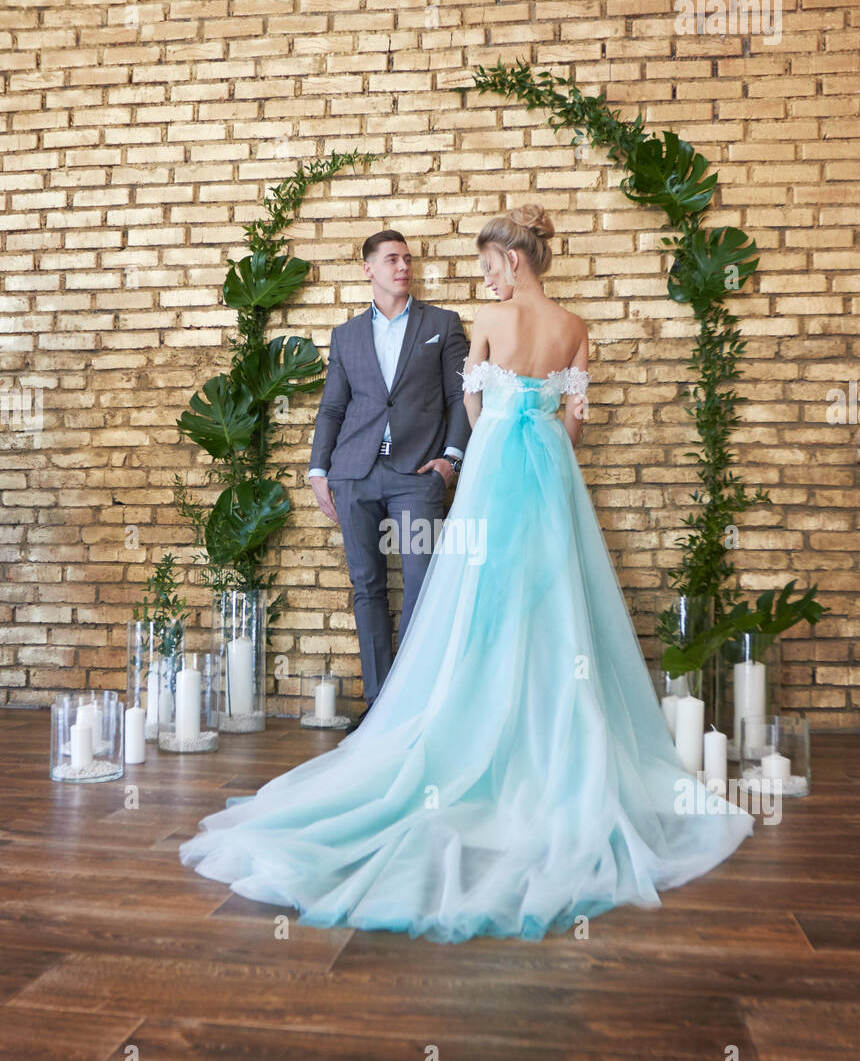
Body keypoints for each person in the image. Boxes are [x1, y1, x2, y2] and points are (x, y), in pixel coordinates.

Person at [179, 204, 754, 944]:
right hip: (551, 470)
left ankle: (468, 720)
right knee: (557, 601)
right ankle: (552, 734)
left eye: (488, 264)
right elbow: (575, 426)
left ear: (511, 262)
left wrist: (500, 427)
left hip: (493, 472)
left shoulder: (488, 320)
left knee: (478, 598)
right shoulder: (576, 328)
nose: (484, 274)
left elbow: (475, 412)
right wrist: (540, 422)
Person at [307, 229, 471, 722]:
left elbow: (459, 397)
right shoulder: (346, 335)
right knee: (367, 587)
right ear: (369, 269)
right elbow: (333, 406)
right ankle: (380, 706)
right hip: (354, 475)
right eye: (392, 259)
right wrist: (319, 469)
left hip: (417, 476)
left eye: (407, 259)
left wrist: (451, 459)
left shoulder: (442, 324)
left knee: (422, 586)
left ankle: (416, 705)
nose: (403, 267)